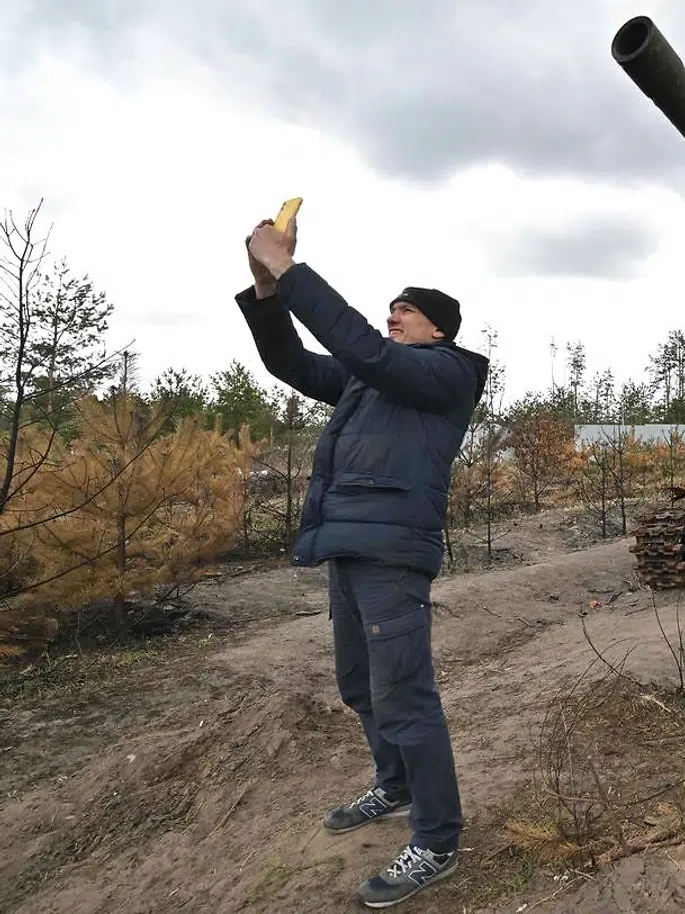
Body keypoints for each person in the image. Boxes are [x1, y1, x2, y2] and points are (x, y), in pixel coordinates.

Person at [237, 217, 488, 909]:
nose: (392, 316)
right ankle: (396, 783)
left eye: (405, 310)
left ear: (439, 329)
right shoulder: (369, 382)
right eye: (390, 309)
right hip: (347, 547)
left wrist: (290, 270)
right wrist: (266, 290)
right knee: (360, 685)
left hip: (393, 554)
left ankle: (436, 839)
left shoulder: (447, 373)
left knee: (406, 697)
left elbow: (367, 350)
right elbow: (291, 364)